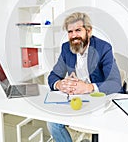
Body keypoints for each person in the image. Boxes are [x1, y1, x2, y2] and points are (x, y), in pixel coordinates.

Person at [46, 12, 122, 142]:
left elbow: (115, 83)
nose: (74, 35)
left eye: (78, 30)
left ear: (89, 31)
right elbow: (53, 76)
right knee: (52, 124)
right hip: (77, 99)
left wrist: (87, 87)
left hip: (99, 99)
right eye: (70, 32)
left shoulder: (103, 48)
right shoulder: (66, 48)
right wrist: (59, 84)